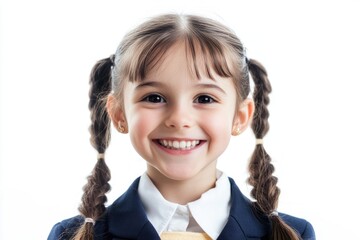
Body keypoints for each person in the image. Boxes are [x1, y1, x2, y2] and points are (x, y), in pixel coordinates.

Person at [48, 14, 315, 240]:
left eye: (204, 99)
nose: (179, 118)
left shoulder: (292, 234)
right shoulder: (72, 235)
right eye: (154, 98)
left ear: (240, 116)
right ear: (119, 114)